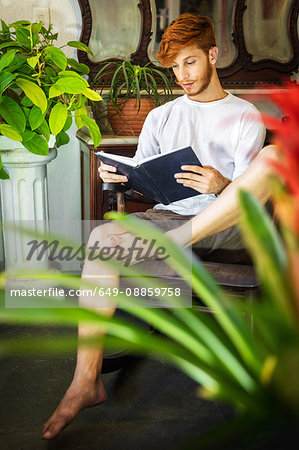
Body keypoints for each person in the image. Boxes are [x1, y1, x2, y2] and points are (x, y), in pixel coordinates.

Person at [42, 14, 278, 439]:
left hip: (225, 224)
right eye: (173, 68)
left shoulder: (244, 115)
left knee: (268, 166)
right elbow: (142, 173)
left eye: (189, 63)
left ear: (212, 54)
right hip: (166, 219)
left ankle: (178, 242)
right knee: (102, 237)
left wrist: (221, 183)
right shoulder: (161, 116)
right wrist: (117, 176)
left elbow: (250, 192)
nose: (181, 75)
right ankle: (85, 380)